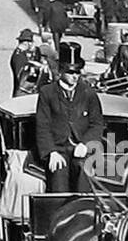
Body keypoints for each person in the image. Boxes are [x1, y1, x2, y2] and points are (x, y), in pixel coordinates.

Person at [35, 42, 106, 193]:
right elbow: (43, 126)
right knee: (58, 183)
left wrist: (85, 144)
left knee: (85, 180)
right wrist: (51, 152)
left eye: (77, 72)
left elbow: (97, 124)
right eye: (70, 72)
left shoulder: (88, 93)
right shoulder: (47, 93)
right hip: (58, 150)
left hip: (82, 150)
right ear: (61, 71)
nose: (75, 76)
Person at [10, 29, 39, 97]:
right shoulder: (19, 56)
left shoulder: (21, 54)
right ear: (27, 43)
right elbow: (21, 76)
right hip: (22, 93)